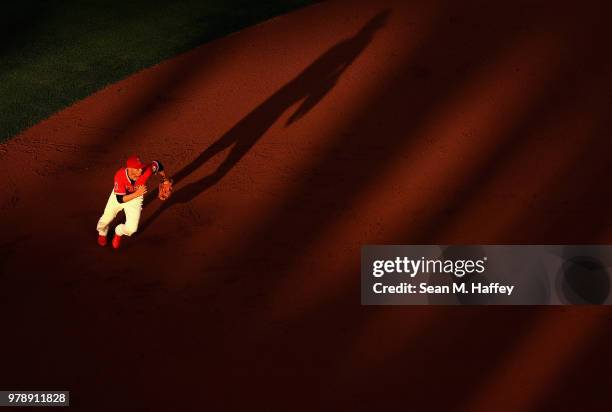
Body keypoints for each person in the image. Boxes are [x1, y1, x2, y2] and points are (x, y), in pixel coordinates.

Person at [96, 155, 170, 249]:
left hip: (135, 199)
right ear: (130, 168)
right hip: (119, 196)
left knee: (132, 229)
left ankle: (118, 232)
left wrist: (165, 180)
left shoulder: (145, 171)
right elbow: (120, 199)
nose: (140, 170)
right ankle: (102, 232)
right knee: (107, 217)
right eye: (137, 168)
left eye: (141, 167)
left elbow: (158, 164)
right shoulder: (120, 175)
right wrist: (137, 193)